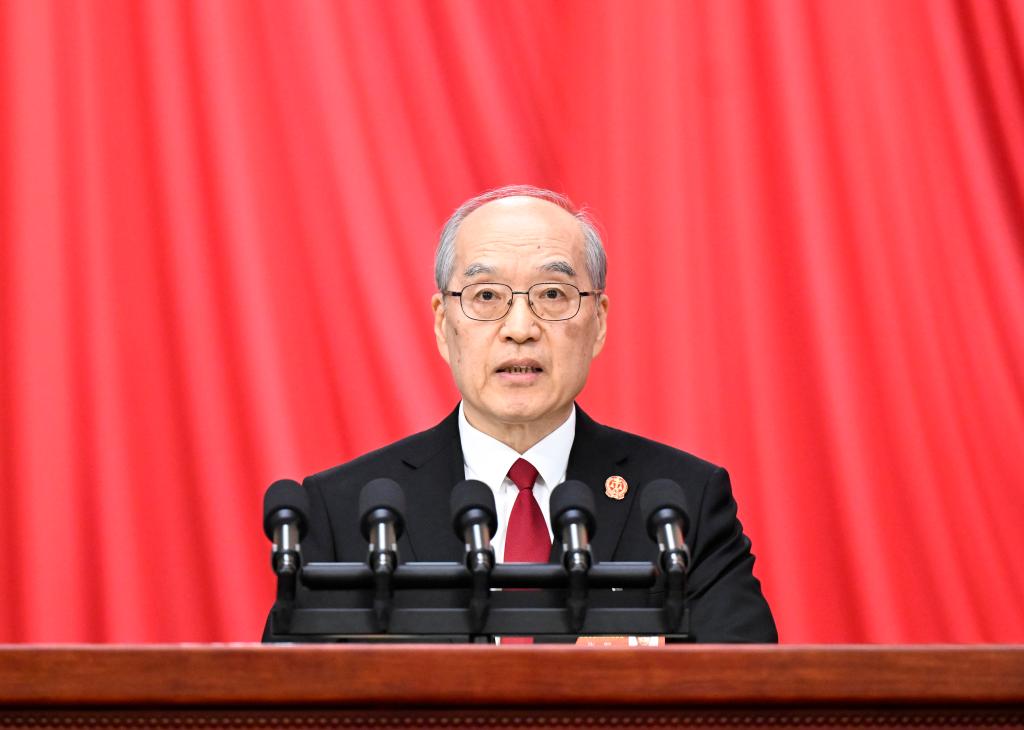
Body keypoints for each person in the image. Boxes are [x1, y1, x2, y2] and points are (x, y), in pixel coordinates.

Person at [274, 185, 777, 642]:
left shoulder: (683, 504)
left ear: (598, 322)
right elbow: (286, 696)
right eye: (486, 296)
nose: (520, 328)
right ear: (443, 324)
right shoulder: (345, 511)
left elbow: (749, 691)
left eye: (552, 294)